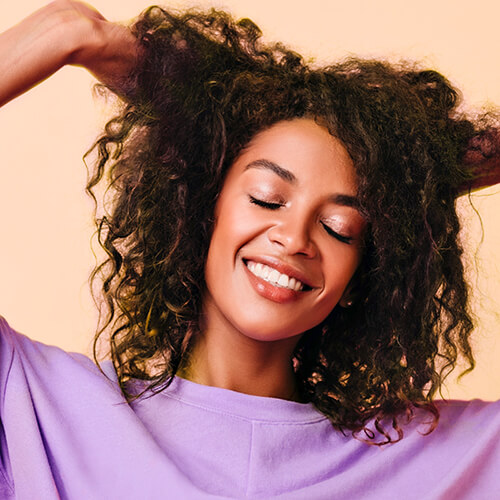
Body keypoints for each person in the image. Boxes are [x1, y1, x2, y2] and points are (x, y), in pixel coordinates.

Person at [1, 1, 499, 498]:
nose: (294, 237)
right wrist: (68, 31)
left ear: (360, 277)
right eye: (266, 198)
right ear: (201, 214)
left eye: (339, 227)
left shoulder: (440, 454)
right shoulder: (36, 405)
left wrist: (423, 183)